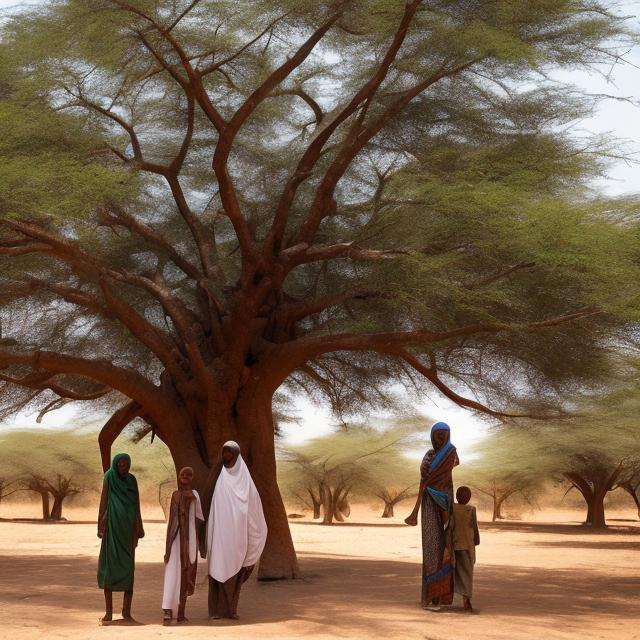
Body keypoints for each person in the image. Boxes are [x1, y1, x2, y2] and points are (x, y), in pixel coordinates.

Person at [204, 441, 267, 620]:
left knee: (235, 574)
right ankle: (215, 611)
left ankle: (231, 610)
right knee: (217, 569)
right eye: (224, 453)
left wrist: (253, 535)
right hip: (219, 535)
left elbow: (254, 512)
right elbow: (208, 503)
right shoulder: (218, 476)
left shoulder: (246, 481)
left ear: (237, 455)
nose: (226, 456)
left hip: (238, 537)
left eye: (230, 453)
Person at [405, 422, 459, 610]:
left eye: (444, 434)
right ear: (432, 435)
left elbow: (439, 475)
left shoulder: (451, 452)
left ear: (449, 434)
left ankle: (440, 596)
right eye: (438, 435)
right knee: (430, 549)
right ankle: (429, 595)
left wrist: (431, 482)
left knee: (445, 547)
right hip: (428, 504)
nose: (441, 438)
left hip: (445, 503)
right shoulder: (428, 455)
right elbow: (424, 477)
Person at [97, 453, 144, 623]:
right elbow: (104, 500)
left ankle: (126, 611)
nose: (124, 467)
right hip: (112, 529)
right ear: (116, 464)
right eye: (121, 465)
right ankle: (108, 612)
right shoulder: (109, 477)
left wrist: (139, 527)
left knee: (129, 571)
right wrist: (100, 525)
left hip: (128, 531)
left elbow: (136, 503)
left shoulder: (132, 480)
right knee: (109, 570)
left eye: (126, 465)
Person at [162, 466, 205, 624]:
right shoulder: (175, 495)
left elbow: (199, 519)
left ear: (192, 477)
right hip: (175, 540)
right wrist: (168, 547)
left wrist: (200, 544)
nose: (186, 476)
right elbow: (172, 521)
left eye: (189, 474)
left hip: (191, 539)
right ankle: (167, 610)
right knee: (172, 573)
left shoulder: (196, 495)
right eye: (183, 474)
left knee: (187, 573)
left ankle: (181, 612)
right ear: (179, 476)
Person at [452, 486, 480, 612]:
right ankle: (466, 599)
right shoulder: (471, 509)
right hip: (467, 545)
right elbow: (474, 527)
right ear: (468, 498)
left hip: (454, 544)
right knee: (467, 573)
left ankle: (455, 598)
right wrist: (477, 540)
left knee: (454, 572)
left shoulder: (452, 508)